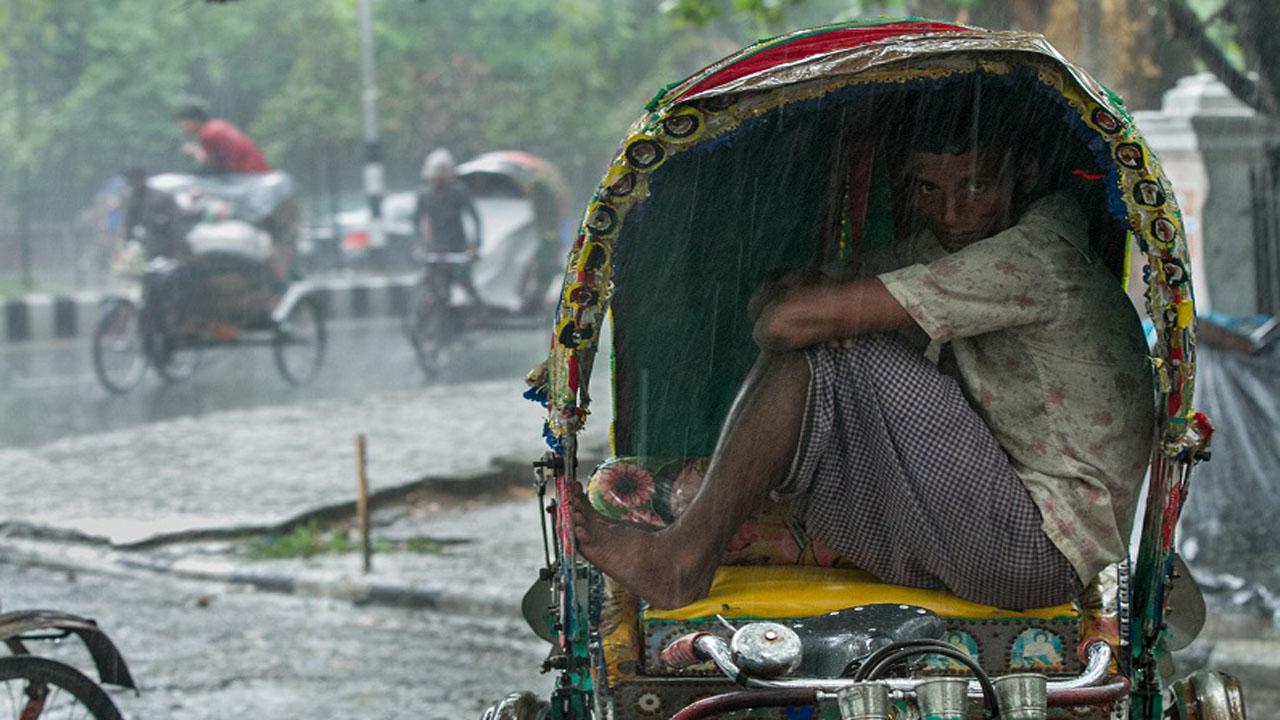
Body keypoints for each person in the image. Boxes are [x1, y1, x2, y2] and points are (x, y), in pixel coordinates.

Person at [569, 88, 1155, 611]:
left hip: (1036, 551)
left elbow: (785, 323)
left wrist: (819, 315)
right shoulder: (950, 247)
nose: (952, 213)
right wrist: (816, 308)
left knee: (829, 346)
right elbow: (780, 295)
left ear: (1021, 174)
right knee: (822, 333)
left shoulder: (1030, 258)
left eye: (975, 185)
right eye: (930, 187)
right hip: (992, 525)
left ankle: (682, 560)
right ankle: (687, 552)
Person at [414, 148, 484, 306]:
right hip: (435, 248)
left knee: (462, 278)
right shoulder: (424, 195)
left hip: (457, 247)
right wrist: (419, 243)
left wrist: (475, 245)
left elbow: (474, 217)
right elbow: (417, 220)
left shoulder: (458, 191)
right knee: (432, 280)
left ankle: (477, 305)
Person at [175, 104, 271, 174]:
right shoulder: (218, 124)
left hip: (249, 174)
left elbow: (213, 164)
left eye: (183, 122)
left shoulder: (208, 134)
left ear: (194, 120)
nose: (181, 127)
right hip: (261, 169)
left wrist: (195, 151)